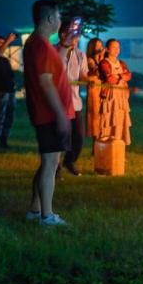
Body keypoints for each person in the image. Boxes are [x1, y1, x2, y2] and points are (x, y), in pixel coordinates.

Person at [23, 0, 73, 226]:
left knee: (48, 162)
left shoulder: (41, 44)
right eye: (59, 16)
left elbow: (55, 71)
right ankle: (47, 215)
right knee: (51, 163)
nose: (60, 20)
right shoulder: (40, 46)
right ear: (51, 18)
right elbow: (46, 83)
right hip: (49, 115)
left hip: (50, 114)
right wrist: (61, 114)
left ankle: (35, 209)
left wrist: (64, 46)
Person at [56, 17, 90, 176]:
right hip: (57, 101)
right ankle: (55, 168)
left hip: (75, 102)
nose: (75, 40)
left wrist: (90, 80)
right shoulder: (54, 51)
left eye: (77, 37)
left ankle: (69, 161)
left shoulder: (80, 55)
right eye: (72, 36)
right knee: (59, 136)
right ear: (62, 35)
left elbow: (83, 74)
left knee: (78, 136)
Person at [98, 39, 132, 144]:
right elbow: (109, 79)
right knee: (109, 117)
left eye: (118, 47)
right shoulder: (104, 63)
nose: (117, 50)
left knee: (120, 118)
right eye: (114, 47)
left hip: (121, 96)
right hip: (110, 95)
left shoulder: (121, 63)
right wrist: (121, 77)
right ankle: (107, 144)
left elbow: (129, 75)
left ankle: (119, 145)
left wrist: (118, 76)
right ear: (107, 49)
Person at [0, 32, 17, 151]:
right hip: (0, 92)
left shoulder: (5, 60)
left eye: (3, 43)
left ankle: (4, 140)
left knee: (9, 117)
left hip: (10, 91)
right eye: (0, 43)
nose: (3, 45)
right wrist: (8, 40)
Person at [85, 38, 105, 143]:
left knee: (104, 115)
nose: (99, 48)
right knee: (95, 115)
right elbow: (96, 72)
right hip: (94, 90)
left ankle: (103, 141)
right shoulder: (89, 60)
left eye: (101, 45)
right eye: (97, 46)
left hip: (104, 89)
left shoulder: (103, 59)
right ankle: (96, 143)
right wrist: (99, 57)